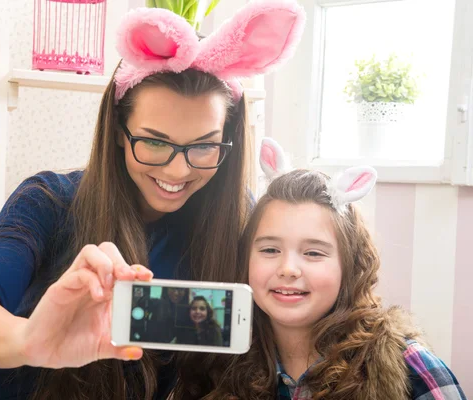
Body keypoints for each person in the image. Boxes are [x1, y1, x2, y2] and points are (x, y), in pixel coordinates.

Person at [0, 2, 306, 400]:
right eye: (154, 143)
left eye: (204, 146)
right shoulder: (49, 199)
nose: (178, 171)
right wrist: (31, 342)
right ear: (120, 133)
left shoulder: (238, 221)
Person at [172, 138, 468, 400]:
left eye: (313, 253)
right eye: (270, 250)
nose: (288, 269)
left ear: (349, 266)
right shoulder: (214, 362)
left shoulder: (410, 366)